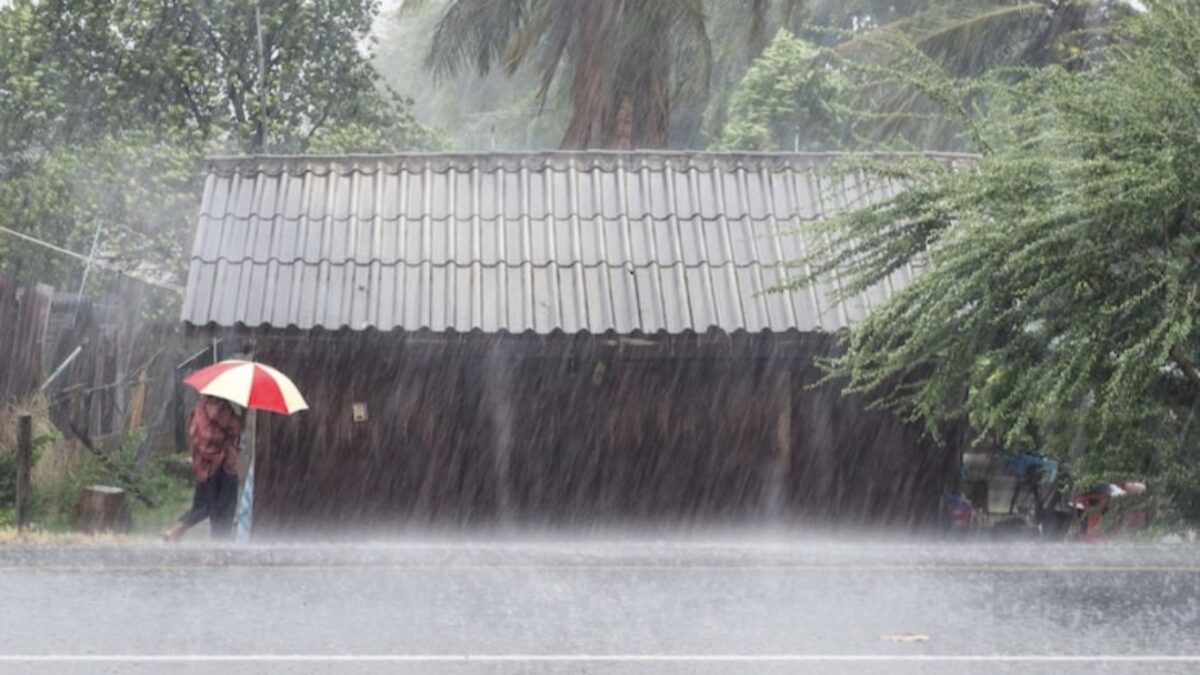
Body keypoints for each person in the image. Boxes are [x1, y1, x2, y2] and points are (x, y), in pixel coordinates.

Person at [163, 395, 244, 541]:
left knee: (203, 505)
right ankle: (218, 550)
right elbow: (237, 427)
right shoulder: (222, 410)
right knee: (224, 511)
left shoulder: (200, 407)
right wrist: (245, 413)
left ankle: (175, 532)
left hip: (204, 465)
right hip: (223, 465)